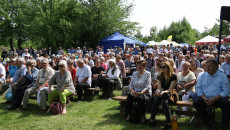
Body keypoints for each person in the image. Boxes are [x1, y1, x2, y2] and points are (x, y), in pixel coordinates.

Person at [194, 59, 230, 130]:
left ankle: (224, 125)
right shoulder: (203, 76)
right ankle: (210, 123)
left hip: (218, 98)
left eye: (209, 66)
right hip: (205, 98)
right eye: (206, 66)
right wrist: (203, 97)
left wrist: (215, 98)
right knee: (196, 103)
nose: (207, 68)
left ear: (216, 67)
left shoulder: (222, 76)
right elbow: (198, 88)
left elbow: (226, 91)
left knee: (226, 103)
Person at [150, 61, 177, 129]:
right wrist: (159, 92)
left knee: (164, 102)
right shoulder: (159, 76)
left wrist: (162, 92)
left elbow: (170, 90)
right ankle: (152, 119)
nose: (162, 68)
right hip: (162, 93)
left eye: (164, 67)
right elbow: (159, 88)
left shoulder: (173, 76)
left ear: (168, 68)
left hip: (171, 94)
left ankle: (169, 122)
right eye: (161, 67)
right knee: (156, 100)